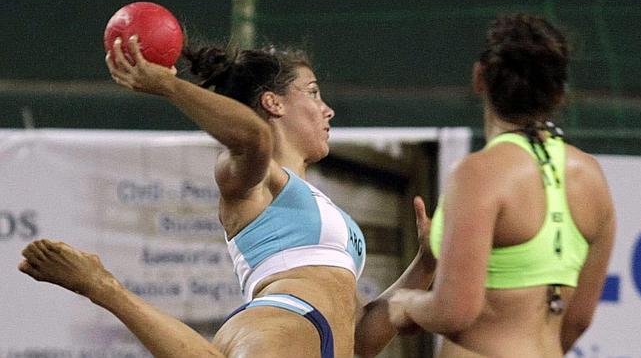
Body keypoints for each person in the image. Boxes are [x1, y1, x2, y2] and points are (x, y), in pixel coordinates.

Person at [18, 34, 436, 358]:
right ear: (273, 102)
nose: (327, 109)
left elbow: (362, 336)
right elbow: (252, 136)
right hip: (281, 319)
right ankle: (102, 286)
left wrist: (425, 264)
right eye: (313, 92)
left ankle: (105, 288)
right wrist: (168, 86)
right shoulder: (253, 176)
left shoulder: (325, 208)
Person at [387, 13, 616, 357]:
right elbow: (579, 319)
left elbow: (454, 311)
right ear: (558, 93)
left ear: (479, 77)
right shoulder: (591, 176)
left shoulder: (480, 173)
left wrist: (406, 304)